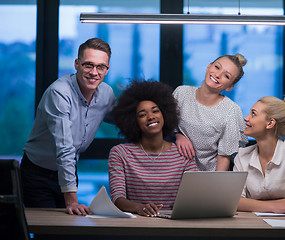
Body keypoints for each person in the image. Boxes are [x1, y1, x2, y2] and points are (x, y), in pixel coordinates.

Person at [20, 38, 116, 215]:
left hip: (69, 170)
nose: (94, 72)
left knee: (69, 226)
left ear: (107, 69)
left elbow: (127, 121)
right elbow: (65, 148)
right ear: (77, 64)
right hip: (37, 174)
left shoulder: (106, 94)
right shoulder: (59, 93)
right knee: (49, 230)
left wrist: (174, 134)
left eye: (100, 67)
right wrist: (72, 201)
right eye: (88, 65)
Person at [108, 80, 198, 217]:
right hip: (135, 223)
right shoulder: (120, 153)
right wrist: (139, 207)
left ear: (165, 114)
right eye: (142, 115)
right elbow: (117, 199)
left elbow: (194, 195)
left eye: (155, 111)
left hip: (174, 224)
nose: (151, 117)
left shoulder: (183, 153)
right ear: (133, 121)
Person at [234, 96, 285, 214]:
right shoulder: (242, 156)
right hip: (250, 224)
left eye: (253, 114)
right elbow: (234, 201)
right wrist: (274, 206)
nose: (246, 118)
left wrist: (250, 204)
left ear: (270, 123)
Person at [173, 54, 248, 171]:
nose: (217, 75)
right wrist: (178, 135)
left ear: (230, 87)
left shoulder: (231, 110)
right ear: (209, 66)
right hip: (174, 171)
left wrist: (215, 187)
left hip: (207, 177)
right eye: (217, 67)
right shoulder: (181, 93)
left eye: (226, 76)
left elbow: (224, 156)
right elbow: (166, 130)